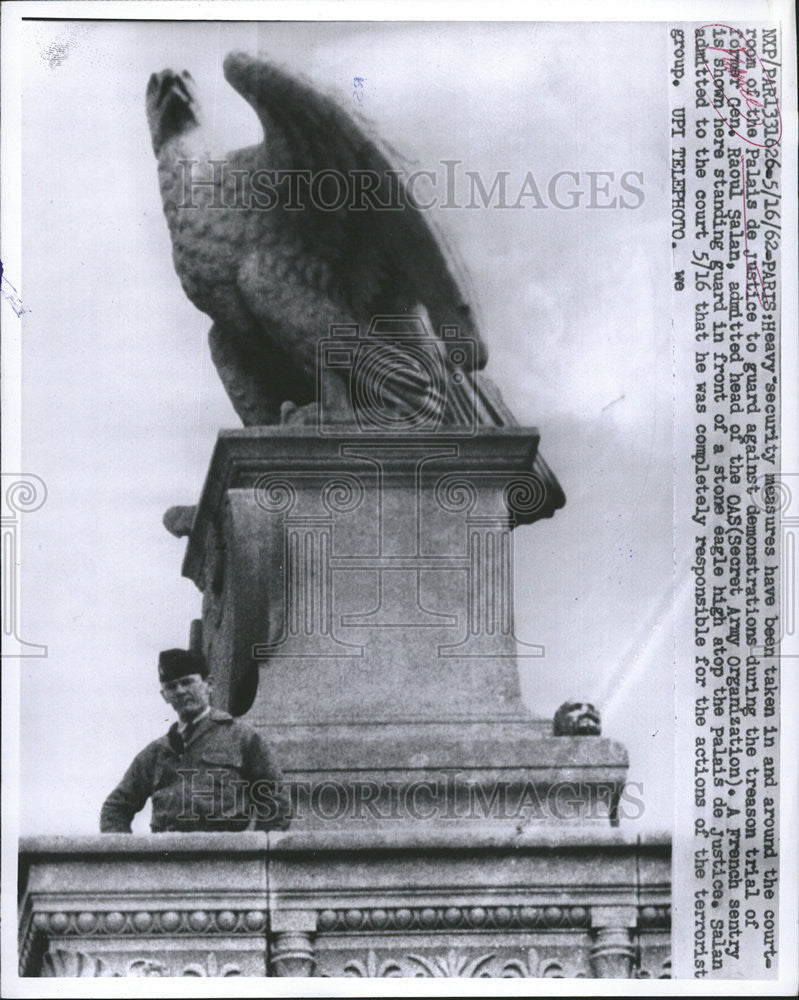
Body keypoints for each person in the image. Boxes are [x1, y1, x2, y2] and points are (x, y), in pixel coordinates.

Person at [100, 649, 290, 832]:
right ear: (164, 696)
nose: (180, 691)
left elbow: (275, 798)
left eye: (187, 682)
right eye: (171, 686)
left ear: (209, 684)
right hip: (168, 857)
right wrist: (131, 861)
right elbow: (115, 808)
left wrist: (258, 853)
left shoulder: (241, 737)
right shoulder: (157, 751)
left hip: (225, 856)